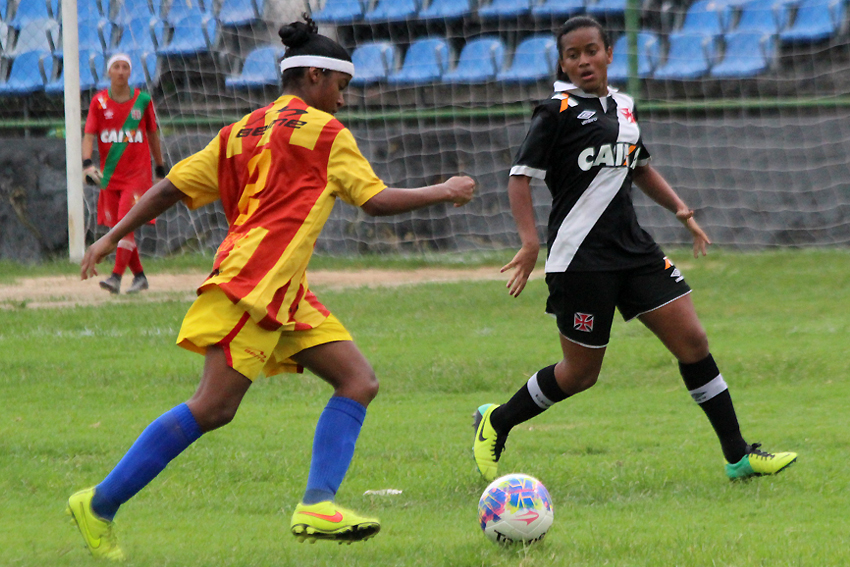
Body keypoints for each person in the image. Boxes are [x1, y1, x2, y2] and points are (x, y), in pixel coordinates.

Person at [68, 16, 476, 561]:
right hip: (252, 286)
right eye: (341, 86)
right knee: (213, 407)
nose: (343, 100)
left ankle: (317, 506)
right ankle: (98, 504)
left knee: (357, 380)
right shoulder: (326, 133)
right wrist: (444, 189)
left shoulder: (239, 131)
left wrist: (108, 237)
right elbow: (374, 201)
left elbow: (169, 187)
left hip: (283, 291)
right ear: (315, 76)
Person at [472, 16, 797, 486]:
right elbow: (519, 177)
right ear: (562, 64)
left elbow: (639, 167)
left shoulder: (625, 106)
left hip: (635, 250)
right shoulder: (556, 111)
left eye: (591, 50)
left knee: (693, 341)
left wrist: (680, 210)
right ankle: (497, 420)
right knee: (580, 374)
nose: (583, 61)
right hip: (581, 258)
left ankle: (738, 456)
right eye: (572, 55)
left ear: (608, 53)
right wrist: (529, 242)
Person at [82, 53, 167, 295]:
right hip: (110, 176)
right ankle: (140, 276)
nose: (121, 71)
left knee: (124, 224)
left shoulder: (143, 101)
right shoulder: (99, 102)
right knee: (119, 229)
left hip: (137, 177)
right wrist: (87, 164)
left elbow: (152, 134)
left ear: (130, 72)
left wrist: (160, 167)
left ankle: (116, 277)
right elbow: (89, 135)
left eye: (125, 67)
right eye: (116, 67)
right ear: (109, 72)